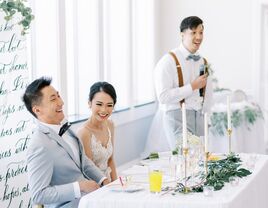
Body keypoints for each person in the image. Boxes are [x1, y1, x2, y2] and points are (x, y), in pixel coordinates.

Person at [22, 77, 109, 208]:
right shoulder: (39, 144)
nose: (61, 102)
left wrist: (104, 180)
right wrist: (80, 186)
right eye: (53, 99)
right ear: (37, 110)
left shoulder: (66, 129)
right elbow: (38, 194)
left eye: (58, 96)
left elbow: (83, 161)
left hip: (90, 199)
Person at [145, 16, 213, 153]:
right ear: (182, 34)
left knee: (200, 159)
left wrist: (207, 117)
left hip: (198, 116)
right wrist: (192, 86)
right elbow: (163, 97)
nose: (198, 37)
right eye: (193, 32)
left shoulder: (203, 61)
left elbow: (208, 94)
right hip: (176, 117)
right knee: (185, 158)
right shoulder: (167, 61)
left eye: (201, 32)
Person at [77, 82, 117, 182]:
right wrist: (106, 185)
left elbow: (110, 160)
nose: (104, 110)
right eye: (99, 104)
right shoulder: (84, 133)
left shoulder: (110, 125)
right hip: (93, 184)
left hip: (108, 182)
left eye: (109, 105)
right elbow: (89, 171)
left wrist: (116, 183)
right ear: (89, 103)